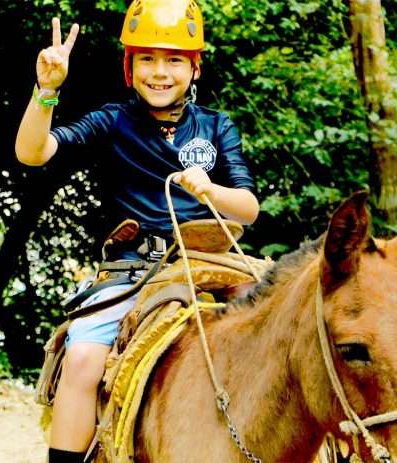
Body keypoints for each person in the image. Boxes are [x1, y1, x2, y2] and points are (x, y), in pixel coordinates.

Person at [14, 1, 259, 461]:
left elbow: (248, 209)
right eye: (147, 58)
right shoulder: (113, 121)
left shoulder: (216, 126)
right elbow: (34, 152)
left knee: (292, 331)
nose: (160, 72)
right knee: (82, 357)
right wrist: (46, 90)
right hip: (134, 271)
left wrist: (211, 190)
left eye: (174, 60)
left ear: (194, 67)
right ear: (130, 66)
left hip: (213, 262)